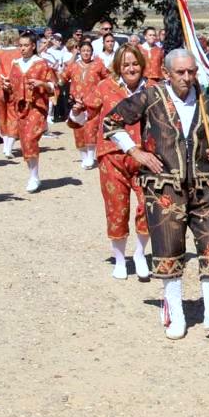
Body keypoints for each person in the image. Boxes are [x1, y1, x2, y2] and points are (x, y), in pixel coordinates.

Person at [103, 50, 209, 339]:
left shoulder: (205, 101)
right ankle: (176, 314)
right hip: (163, 189)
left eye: (191, 72)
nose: (187, 78)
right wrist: (135, 151)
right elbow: (110, 123)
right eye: (181, 72)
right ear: (167, 73)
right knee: (168, 249)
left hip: (203, 186)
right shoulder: (150, 98)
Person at [70, 45, 150, 280]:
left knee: (148, 205)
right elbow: (83, 116)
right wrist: (76, 110)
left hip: (145, 157)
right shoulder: (105, 87)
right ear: (118, 67)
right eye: (125, 65)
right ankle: (119, 259)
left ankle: (140, 253)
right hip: (112, 156)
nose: (131, 68)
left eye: (135, 63)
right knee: (117, 207)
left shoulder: (154, 89)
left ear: (142, 65)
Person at [2, 33, 57, 193]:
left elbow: (53, 86)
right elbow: (11, 86)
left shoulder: (41, 64)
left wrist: (42, 84)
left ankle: (34, 177)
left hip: (36, 107)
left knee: (30, 138)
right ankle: (33, 174)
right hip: (20, 108)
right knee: (25, 141)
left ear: (33, 46)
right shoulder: (16, 64)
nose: (22, 48)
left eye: (26, 45)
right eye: (20, 45)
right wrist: (7, 87)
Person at [64, 40, 105, 169]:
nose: (86, 53)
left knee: (91, 129)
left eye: (88, 51)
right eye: (83, 51)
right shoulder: (73, 66)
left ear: (92, 52)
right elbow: (62, 77)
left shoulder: (98, 65)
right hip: (77, 103)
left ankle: (91, 157)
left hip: (93, 103)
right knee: (78, 130)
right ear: (79, 52)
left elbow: (108, 79)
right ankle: (84, 156)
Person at [0, 30, 22, 158]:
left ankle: (5, 145)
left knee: (2, 116)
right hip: (15, 87)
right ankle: (9, 147)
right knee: (13, 115)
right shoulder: (20, 53)